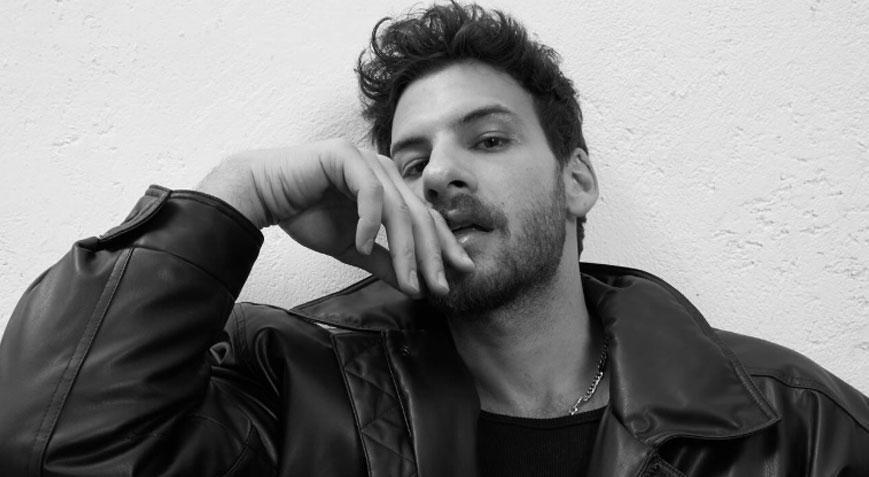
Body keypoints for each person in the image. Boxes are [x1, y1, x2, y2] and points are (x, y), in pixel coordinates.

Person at [0, 2, 867, 476]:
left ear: (576, 179)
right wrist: (238, 195)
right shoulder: (295, 387)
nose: (440, 174)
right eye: (409, 161)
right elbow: (52, 446)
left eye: (486, 140)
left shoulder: (788, 423)